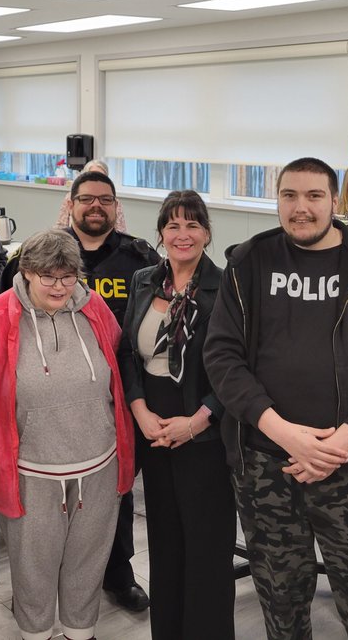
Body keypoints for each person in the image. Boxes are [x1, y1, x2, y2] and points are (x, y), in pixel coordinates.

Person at [203, 156, 348, 640]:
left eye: (313, 196)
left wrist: (339, 443)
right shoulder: (250, 261)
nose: (300, 208)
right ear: (277, 199)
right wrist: (285, 435)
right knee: (281, 605)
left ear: (335, 201)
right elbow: (222, 356)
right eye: (289, 196)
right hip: (268, 468)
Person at [0, 229, 135, 640]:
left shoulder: (95, 309)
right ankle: (35, 634)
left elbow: (119, 382)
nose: (59, 286)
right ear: (27, 273)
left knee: (87, 564)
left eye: (68, 276)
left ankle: (80, 632)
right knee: (33, 568)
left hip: (99, 466)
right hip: (30, 473)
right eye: (48, 276)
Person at [0, 169, 158, 611]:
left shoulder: (139, 257)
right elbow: (0, 317)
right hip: (42, 401)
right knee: (42, 517)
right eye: (87, 198)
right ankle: (37, 591)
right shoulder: (36, 252)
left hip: (113, 399)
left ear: (115, 206)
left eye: (105, 200)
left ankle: (117, 576)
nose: (96, 207)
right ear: (71, 203)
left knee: (112, 498)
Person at [118, 191, 235, 640]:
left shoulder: (225, 287)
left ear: (206, 233)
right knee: (164, 547)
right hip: (153, 428)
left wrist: (199, 420)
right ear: (161, 233)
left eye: (192, 225)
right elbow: (129, 352)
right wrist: (140, 410)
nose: (182, 235)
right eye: (173, 225)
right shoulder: (144, 280)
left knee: (206, 552)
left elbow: (238, 368)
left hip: (203, 435)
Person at [54, 159, 127, 233]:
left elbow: (120, 229)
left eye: (101, 177)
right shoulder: (70, 198)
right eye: (86, 199)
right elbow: (61, 226)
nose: (96, 181)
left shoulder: (113, 201)